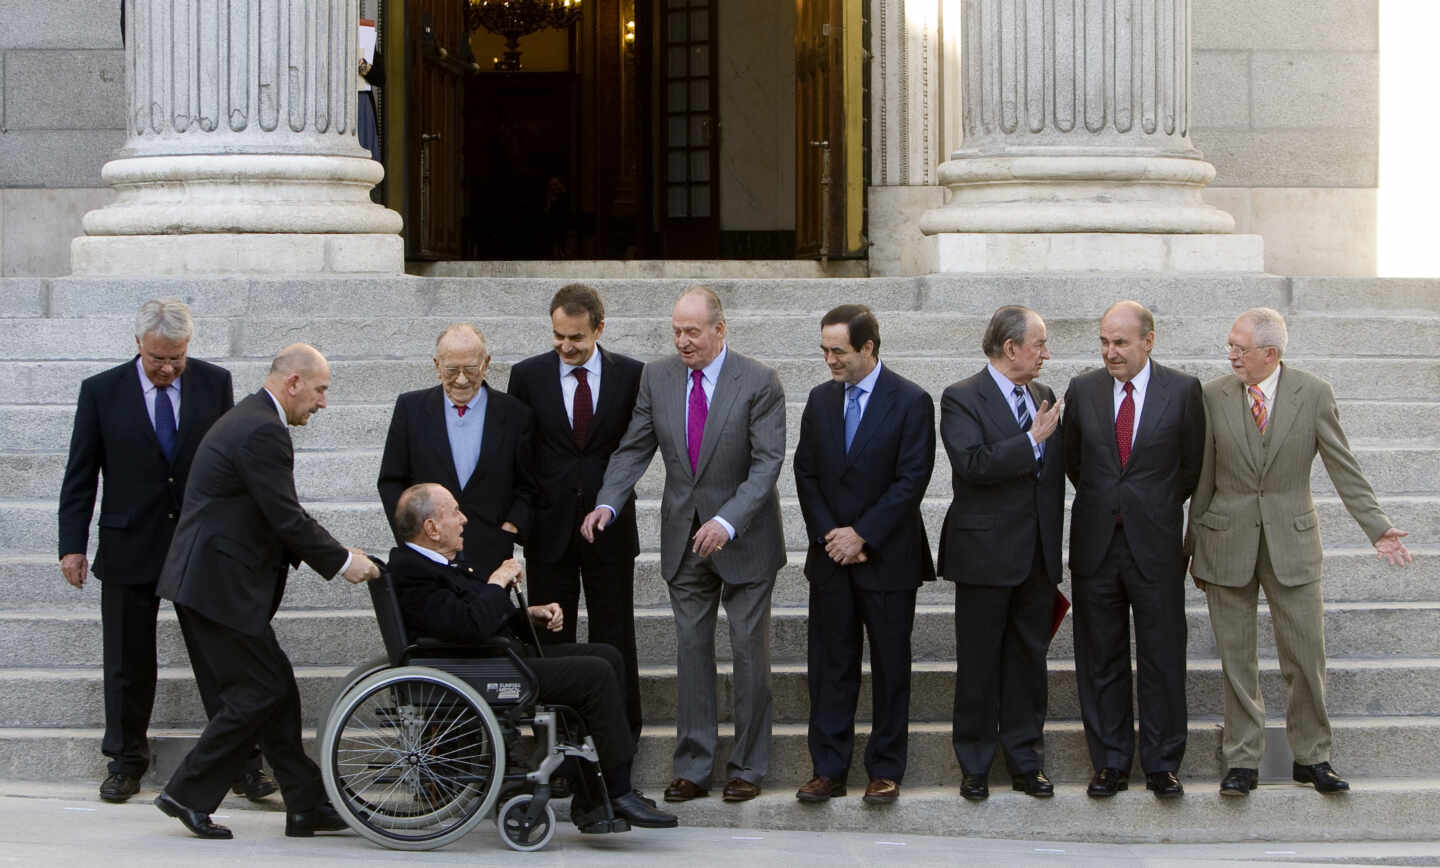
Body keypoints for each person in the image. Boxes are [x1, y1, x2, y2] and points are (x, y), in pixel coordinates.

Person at [154, 344, 381, 840]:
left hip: (214, 583)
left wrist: (340, 549)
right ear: (294, 382)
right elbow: (285, 516)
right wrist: (344, 561)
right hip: (218, 587)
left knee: (276, 690)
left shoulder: (253, 419)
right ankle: (186, 793)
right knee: (257, 692)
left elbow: (271, 514)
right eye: (320, 390)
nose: (322, 403)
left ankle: (306, 804)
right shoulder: (263, 430)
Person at [56, 299, 275, 804]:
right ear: (138, 345)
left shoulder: (213, 383)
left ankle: (242, 762)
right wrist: (73, 546)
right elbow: (80, 475)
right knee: (127, 663)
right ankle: (125, 762)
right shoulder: (100, 391)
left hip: (198, 544)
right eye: (158, 358)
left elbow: (234, 464)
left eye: (177, 357)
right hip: (128, 543)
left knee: (220, 660)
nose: (168, 368)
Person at [1188, 307, 1412, 797]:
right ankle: (1242, 760)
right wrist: (1193, 548)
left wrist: (1377, 527)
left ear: (1270, 354)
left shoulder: (1313, 393)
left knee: (1306, 655)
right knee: (1236, 659)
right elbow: (1203, 476)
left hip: (1293, 543)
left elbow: (1342, 465)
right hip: (1226, 541)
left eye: (1239, 348)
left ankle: (1312, 757)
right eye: (1229, 345)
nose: (1230, 355)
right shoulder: (1212, 395)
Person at [581, 286, 786, 804]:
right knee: (691, 654)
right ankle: (693, 766)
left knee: (747, 655)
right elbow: (634, 448)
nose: (683, 341)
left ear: (720, 329)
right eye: (676, 330)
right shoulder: (659, 376)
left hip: (744, 539)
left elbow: (766, 466)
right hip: (682, 538)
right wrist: (609, 501)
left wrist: (728, 520)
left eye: (692, 331)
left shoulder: (759, 381)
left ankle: (747, 766)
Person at [387, 483, 677, 830]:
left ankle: (593, 797)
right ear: (432, 528)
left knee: (608, 656)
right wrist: (497, 581)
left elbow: (473, 616)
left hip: (493, 659)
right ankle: (616, 791)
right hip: (478, 670)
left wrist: (529, 615)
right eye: (454, 512)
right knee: (595, 673)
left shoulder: (436, 563)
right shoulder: (413, 570)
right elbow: (469, 625)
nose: (464, 519)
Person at [792, 305, 935, 806]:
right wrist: (833, 534)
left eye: (840, 351)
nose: (830, 360)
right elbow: (805, 473)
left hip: (888, 558)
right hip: (831, 557)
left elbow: (911, 480)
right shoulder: (819, 399)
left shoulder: (912, 401)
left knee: (891, 668)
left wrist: (863, 535)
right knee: (830, 667)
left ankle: (885, 768)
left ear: (868, 348)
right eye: (825, 351)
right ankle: (827, 769)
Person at [1062, 301, 1204, 799]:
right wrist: (1111, 501)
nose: (1110, 352)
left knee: (1163, 657)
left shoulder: (1184, 391)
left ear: (1149, 340)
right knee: (1100, 658)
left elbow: (1191, 467)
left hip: (1156, 547)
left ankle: (1163, 764)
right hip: (1096, 544)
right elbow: (1075, 462)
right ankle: (1111, 763)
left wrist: (1152, 504)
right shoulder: (1082, 390)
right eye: (1103, 341)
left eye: (1120, 342)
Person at [507, 284, 646, 745]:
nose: (567, 347)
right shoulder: (527, 376)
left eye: (577, 338)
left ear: (599, 330)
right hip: (549, 530)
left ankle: (621, 735)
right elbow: (521, 455)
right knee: (551, 639)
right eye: (558, 337)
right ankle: (559, 741)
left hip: (609, 529)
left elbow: (636, 446)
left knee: (615, 634)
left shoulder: (632, 375)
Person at [937, 305, 1065, 802]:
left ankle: (1025, 760)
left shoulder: (1044, 395)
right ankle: (974, 762)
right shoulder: (961, 397)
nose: (1046, 354)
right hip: (984, 554)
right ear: (1010, 348)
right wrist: (1032, 439)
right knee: (979, 662)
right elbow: (972, 464)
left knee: (1028, 662)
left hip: (1035, 555)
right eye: (1039, 344)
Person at [378, 323, 535, 577]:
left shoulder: (515, 414)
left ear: (486, 363)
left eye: (471, 369)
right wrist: (414, 535)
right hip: (428, 551)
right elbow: (391, 481)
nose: (461, 379)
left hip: (490, 550)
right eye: (452, 369)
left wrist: (511, 527)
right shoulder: (410, 409)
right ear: (437, 366)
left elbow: (529, 482)